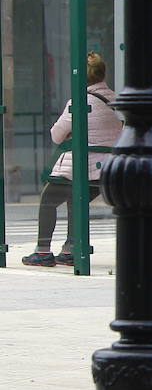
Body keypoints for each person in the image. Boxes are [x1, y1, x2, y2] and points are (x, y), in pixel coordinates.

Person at [24, 52, 123, 267]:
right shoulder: (115, 99)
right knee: (75, 200)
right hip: (107, 168)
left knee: (48, 199)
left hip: (80, 166)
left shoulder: (79, 101)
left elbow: (56, 135)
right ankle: (70, 249)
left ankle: (42, 252)